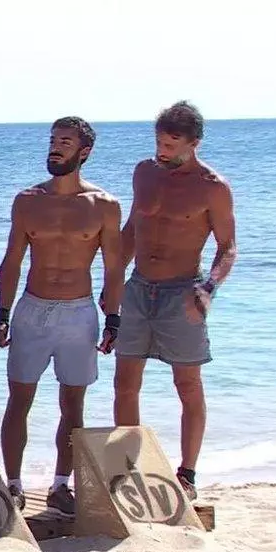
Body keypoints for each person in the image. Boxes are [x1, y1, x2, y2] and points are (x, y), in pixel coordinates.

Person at [0, 117, 124, 515]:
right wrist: (2, 313)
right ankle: (13, 484)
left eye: (65, 142)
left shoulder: (104, 205)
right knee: (19, 399)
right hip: (32, 309)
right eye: (53, 140)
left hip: (78, 313)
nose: (55, 147)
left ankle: (60, 484)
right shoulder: (28, 200)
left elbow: (114, 267)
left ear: (84, 152)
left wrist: (113, 317)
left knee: (73, 404)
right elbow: (12, 260)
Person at [113, 101, 237, 501]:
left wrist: (209, 288)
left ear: (193, 143)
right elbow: (131, 230)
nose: (161, 151)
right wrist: (112, 283)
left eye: (170, 145)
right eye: (158, 142)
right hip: (138, 288)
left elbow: (228, 247)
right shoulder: (144, 172)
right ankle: (128, 469)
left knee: (187, 383)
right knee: (125, 382)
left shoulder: (213, 187)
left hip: (182, 291)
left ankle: (187, 474)